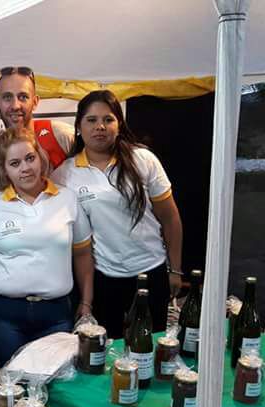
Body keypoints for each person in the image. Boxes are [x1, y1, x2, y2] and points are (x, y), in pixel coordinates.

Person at [51, 90, 184, 339]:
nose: (100, 126)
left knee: (148, 348)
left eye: (108, 119)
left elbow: (170, 218)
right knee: (105, 353)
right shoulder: (64, 175)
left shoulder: (142, 159)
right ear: (78, 126)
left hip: (150, 271)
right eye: (91, 120)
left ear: (119, 125)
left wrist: (175, 270)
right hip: (104, 278)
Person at [0, 128, 94, 366]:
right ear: (4, 170)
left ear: (40, 157)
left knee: (54, 385)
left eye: (29, 158)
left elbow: (83, 254)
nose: (25, 168)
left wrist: (86, 304)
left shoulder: (67, 199)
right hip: (4, 316)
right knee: (14, 386)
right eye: (15, 163)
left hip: (55, 315)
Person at [0, 66, 76, 291]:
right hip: (18, 273)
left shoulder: (60, 135)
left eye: (23, 96)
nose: (15, 106)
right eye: (7, 97)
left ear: (36, 101)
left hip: (63, 267)